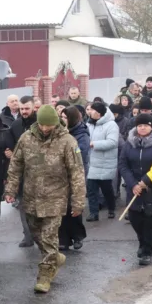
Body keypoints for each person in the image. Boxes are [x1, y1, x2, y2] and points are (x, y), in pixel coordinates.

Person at [5, 105, 86, 294]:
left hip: (55, 198)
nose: (44, 129)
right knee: (36, 235)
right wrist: (10, 189)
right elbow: (16, 165)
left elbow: (77, 173)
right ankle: (55, 257)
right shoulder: (26, 138)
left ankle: (45, 276)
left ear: (55, 124)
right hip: (31, 197)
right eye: (41, 125)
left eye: (48, 125)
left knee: (49, 237)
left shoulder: (67, 141)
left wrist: (78, 202)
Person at [118, 113, 152, 265]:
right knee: (135, 219)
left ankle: (147, 251)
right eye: (139, 125)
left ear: (151, 126)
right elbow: (123, 164)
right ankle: (142, 243)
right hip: (134, 190)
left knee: (150, 223)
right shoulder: (129, 143)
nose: (142, 128)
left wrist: (145, 181)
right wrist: (133, 184)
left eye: (145, 125)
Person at [7, 96, 37, 247]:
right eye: (22, 109)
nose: (24, 111)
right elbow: (10, 145)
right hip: (22, 173)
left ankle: (44, 236)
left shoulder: (41, 124)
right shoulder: (16, 125)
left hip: (40, 173)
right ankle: (28, 236)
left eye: (27, 108)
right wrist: (10, 153)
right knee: (23, 206)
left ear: (33, 108)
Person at [59, 106, 89, 251]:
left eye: (65, 118)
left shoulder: (81, 134)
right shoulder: (58, 133)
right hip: (60, 176)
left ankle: (77, 236)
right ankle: (63, 239)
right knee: (61, 208)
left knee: (73, 207)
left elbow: (81, 154)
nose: (63, 120)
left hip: (75, 174)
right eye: (61, 118)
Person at [85, 101, 119, 222]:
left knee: (106, 189)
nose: (89, 112)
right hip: (92, 162)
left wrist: (94, 144)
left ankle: (111, 208)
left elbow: (113, 142)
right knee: (91, 189)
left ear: (98, 113)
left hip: (105, 163)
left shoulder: (111, 125)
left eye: (92, 110)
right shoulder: (89, 124)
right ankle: (94, 213)